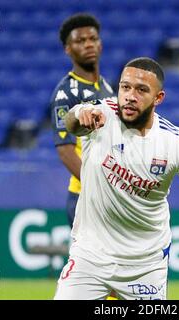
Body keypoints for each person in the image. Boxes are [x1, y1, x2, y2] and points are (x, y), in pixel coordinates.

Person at [54, 57, 179, 300]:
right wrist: (80, 112)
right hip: (90, 256)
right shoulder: (100, 114)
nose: (130, 96)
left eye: (141, 90)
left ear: (159, 98)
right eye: (125, 87)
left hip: (144, 266)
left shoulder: (177, 144)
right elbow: (71, 122)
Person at [50, 13, 116, 227]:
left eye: (93, 39)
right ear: (68, 49)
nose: (89, 44)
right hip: (85, 196)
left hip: (110, 193)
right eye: (80, 41)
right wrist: (96, 186)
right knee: (92, 261)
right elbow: (65, 150)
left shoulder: (107, 87)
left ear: (101, 44)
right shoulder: (65, 93)